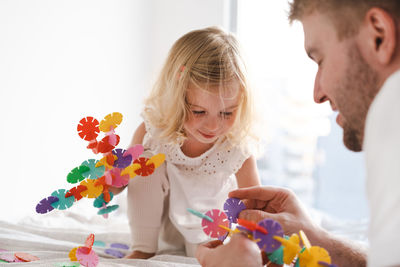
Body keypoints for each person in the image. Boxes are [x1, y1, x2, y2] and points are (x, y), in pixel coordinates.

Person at [196, 1, 400, 266]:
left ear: (378, 36)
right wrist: (317, 239)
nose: (317, 93)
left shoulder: (391, 109)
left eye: (320, 60)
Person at [116, 26, 261, 259]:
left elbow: (254, 202)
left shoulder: (237, 147)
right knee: (144, 162)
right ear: (177, 98)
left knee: (218, 254)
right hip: (160, 224)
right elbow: (124, 177)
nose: (213, 126)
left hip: (209, 227)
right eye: (199, 111)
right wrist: (109, 182)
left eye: (227, 113)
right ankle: (142, 249)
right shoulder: (153, 132)